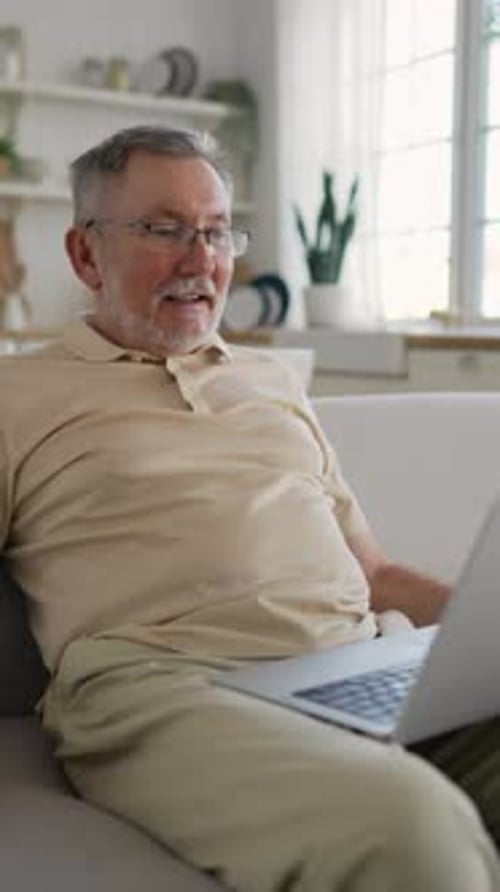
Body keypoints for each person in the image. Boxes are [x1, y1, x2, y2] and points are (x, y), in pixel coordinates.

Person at [0, 125, 498, 892]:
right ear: (84, 254)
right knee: (414, 830)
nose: (201, 260)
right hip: (167, 690)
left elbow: (374, 573)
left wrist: (481, 637)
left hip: (354, 661)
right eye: (164, 230)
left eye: (216, 231)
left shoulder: (270, 382)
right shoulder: (18, 395)